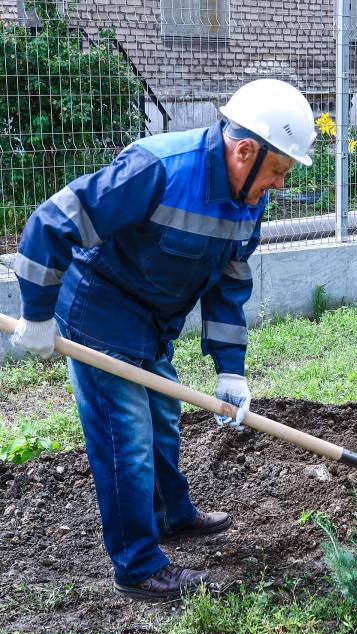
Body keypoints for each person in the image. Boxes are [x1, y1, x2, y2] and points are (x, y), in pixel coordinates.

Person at [8, 79, 316, 600]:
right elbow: (53, 221)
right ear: (244, 150)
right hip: (99, 312)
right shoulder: (158, 169)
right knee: (125, 435)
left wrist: (231, 370)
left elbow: (230, 285)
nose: (280, 185)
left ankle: (171, 515)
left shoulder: (248, 202)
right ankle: (138, 565)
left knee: (165, 418)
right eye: (278, 171)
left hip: (154, 322)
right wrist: (37, 317)